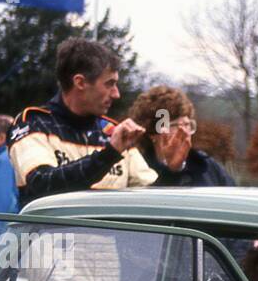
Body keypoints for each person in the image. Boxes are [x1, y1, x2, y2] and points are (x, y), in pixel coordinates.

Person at [8, 37, 156, 203]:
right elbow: (42, 184)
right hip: (51, 229)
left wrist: (174, 168)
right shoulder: (33, 123)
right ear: (80, 82)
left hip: (108, 230)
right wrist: (109, 155)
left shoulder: (113, 132)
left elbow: (152, 196)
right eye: (109, 84)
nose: (116, 94)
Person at [127, 86, 235, 187]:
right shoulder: (137, 167)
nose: (185, 132)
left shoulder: (205, 165)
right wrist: (171, 171)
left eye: (187, 125)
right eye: (175, 126)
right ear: (152, 133)